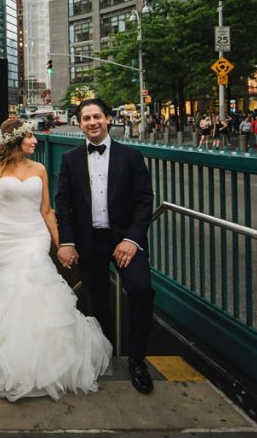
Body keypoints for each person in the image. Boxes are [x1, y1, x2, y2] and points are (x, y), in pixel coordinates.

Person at [0, 117, 111, 401]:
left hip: (35, 237)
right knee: (12, 292)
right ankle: (12, 356)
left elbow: (47, 211)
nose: (36, 142)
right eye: (30, 137)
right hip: (4, 238)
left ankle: (41, 359)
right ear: (16, 140)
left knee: (33, 283)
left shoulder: (39, 169)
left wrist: (61, 245)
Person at [55, 97, 156, 395]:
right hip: (89, 241)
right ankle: (104, 358)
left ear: (108, 119)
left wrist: (131, 240)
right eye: (86, 118)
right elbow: (64, 204)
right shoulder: (70, 160)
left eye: (97, 116)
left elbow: (144, 201)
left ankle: (137, 360)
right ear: (79, 124)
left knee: (141, 289)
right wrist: (67, 242)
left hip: (125, 239)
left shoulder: (131, 156)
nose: (92, 123)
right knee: (97, 302)